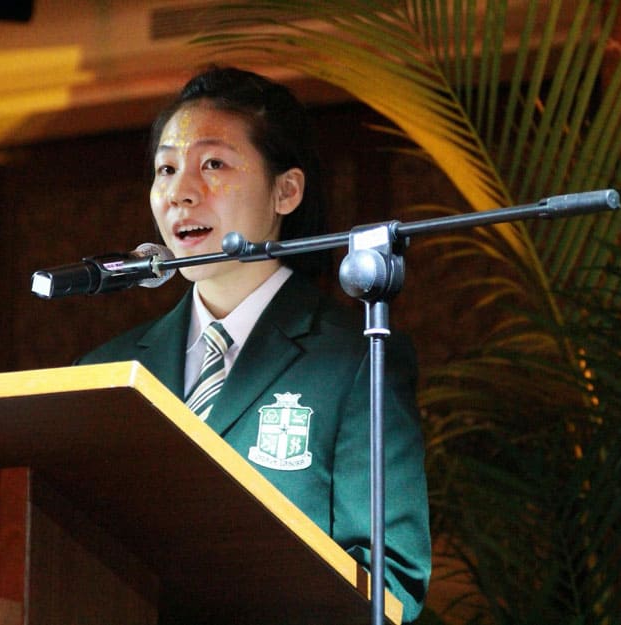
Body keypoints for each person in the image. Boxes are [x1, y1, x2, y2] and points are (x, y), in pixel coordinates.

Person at [78, 66, 431, 622]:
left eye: (213, 164)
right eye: (166, 168)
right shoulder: (106, 371)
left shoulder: (355, 358)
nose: (180, 192)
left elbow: (390, 582)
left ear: (286, 190)